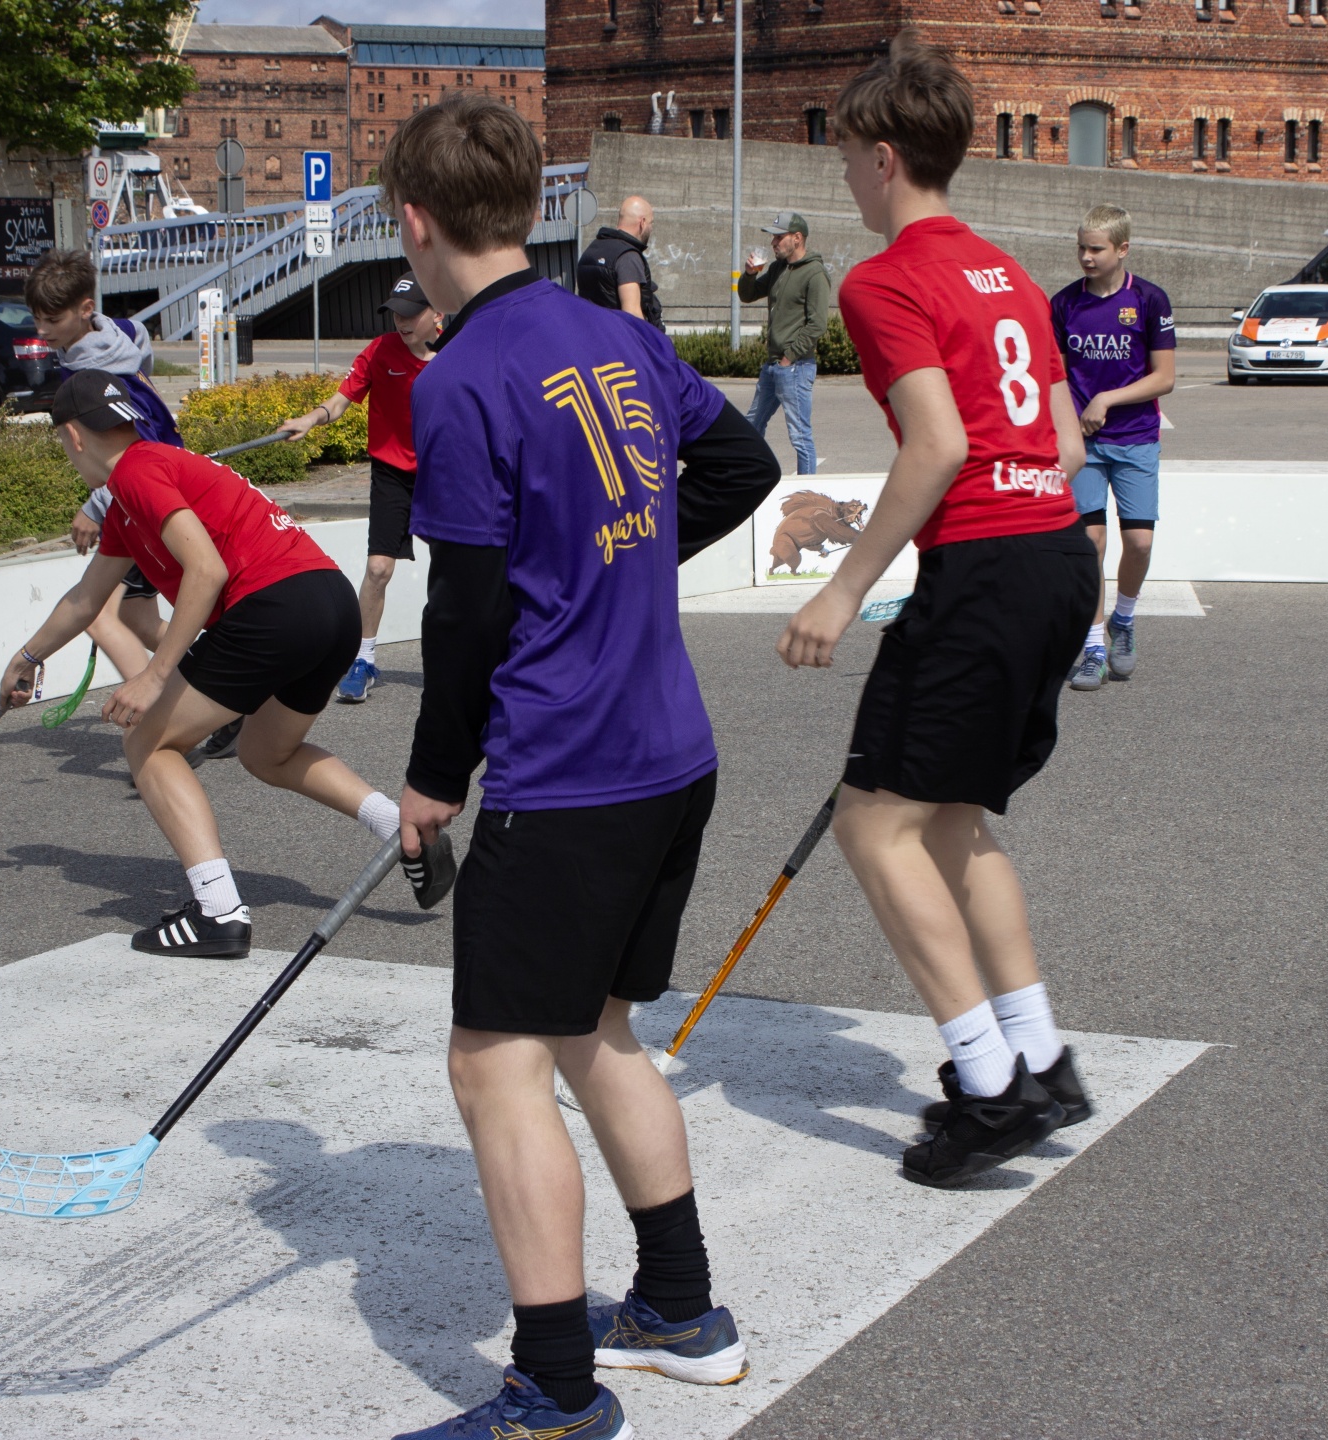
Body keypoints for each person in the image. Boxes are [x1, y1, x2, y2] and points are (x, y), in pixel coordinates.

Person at [386, 93, 780, 1440]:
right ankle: (680, 1308)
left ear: (416, 223)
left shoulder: (459, 380)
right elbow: (740, 463)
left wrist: (435, 775)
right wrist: (617, 561)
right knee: (596, 1031)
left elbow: (465, 611)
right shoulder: (619, 332)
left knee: (494, 1067)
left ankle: (555, 1391)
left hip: (568, 775)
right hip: (670, 753)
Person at [776, 35, 1099, 1190]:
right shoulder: (1008, 273)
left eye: (846, 162)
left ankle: (991, 1084)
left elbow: (939, 445)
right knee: (951, 820)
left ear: (883, 158)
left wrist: (842, 588)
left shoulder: (884, 281)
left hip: (992, 568)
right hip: (1057, 556)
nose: (845, 182)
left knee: (875, 826)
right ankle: (1040, 1058)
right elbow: (1064, 443)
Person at [4, 371, 454, 955]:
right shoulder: (133, 495)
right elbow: (86, 599)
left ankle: (218, 912)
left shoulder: (137, 472)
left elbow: (207, 569)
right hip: (328, 602)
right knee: (267, 753)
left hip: (271, 607)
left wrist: (154, 676)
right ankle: (399, 828)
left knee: (147, 741)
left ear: (73, 435)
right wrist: (27, 657)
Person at [24, 250, 191, 745]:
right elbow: (141, 349)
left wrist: (94, 507)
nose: (42, 330)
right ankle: (210, 688)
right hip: (143, 497)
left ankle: (161, 725)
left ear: (85, 309)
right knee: (135, 615)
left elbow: (138, 451)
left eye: (53, 320)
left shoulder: (96, 376)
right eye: (36, 318)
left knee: (98, 614)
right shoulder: (118, 332)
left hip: (140, 503)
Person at [275, 271, 442, 704]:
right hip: (392, 473)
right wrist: (310, 419)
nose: (401, 322)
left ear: (436, 313)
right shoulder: (380, 350)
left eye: (410, 313)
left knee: (451, 570)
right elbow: (340, 400)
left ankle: (454, 659)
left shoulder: (456, 352)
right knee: (378, 569)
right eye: (395, 313)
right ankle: (363, 659)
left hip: (443, 473)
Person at [1050, 204, 1177, 691]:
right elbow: (1056, 375)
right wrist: (1065, 424)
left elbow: (1164, 378)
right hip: (1084, 444)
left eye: (1096, 249)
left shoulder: (1149, 300)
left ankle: (1123, 618)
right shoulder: (1064, 304)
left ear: (1123, 249)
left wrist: (1106, 398)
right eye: (1081, 247)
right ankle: (1094, 647)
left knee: (1139, 543)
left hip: (1136, 438)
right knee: (1090, 543)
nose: (1086, 256)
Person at [737, 211, 833, 476]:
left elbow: (817, 324)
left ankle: (808, 490)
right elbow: (747, 295)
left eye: (779, 237)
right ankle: (749, 481)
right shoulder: (778, 268)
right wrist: (749, 274)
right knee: (751, 426)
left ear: (797, 238)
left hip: (796, 367)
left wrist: (789, 357)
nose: (773, 243)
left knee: (800, 437)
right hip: (773, 366)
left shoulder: (815, 274)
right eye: (773, 237)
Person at [575, 195, 663, 330]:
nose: (651, 229)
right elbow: (632, 315)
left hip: (592, 335)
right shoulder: (628, 257)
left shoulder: (591, 251)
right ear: (642, 222)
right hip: (617, 339)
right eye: (651, 223)